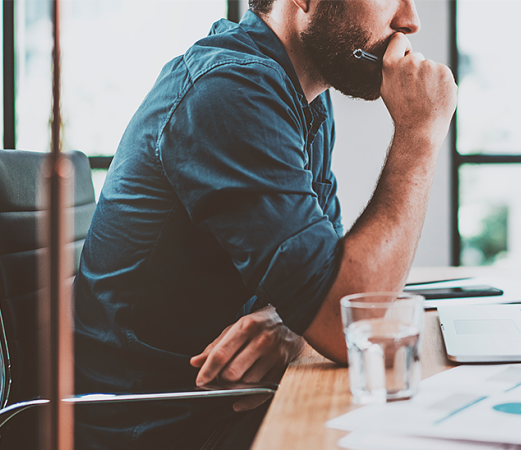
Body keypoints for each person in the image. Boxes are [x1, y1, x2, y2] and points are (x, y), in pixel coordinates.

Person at [73, 0, 457, 448]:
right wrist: (419, 134)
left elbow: (330, 276)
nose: (410, 21)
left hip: (223, 406)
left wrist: (288, 322)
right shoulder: (231, 89)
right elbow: (347, 320)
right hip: (159, 426)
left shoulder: (302, 96)